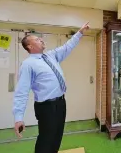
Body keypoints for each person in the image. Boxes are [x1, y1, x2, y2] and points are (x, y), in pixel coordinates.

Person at [12, 22, 90, 153]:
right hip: (46, 108)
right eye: (37, 39)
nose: (41, 39)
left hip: (60, 103)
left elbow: (67, 47)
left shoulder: (50, 56)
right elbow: (21, 92)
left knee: (57, 137)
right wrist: (18, 117)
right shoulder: (28, 64)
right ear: (30, 46)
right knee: (46, 139)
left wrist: (80, 32)